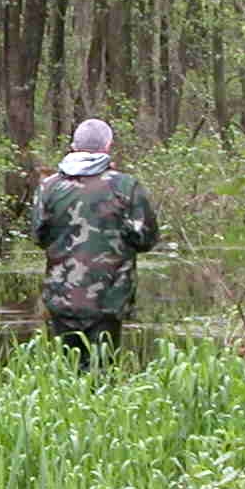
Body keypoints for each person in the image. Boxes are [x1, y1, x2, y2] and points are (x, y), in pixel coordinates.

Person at [29, 118, 160, 368]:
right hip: (109, 297)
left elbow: (39, 237)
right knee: (102, 373)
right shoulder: (125, 186)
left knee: (67, 372)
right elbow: (146, 239)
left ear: (74, 146)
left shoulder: (49, 186)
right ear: (108, 146)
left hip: (60, 295)